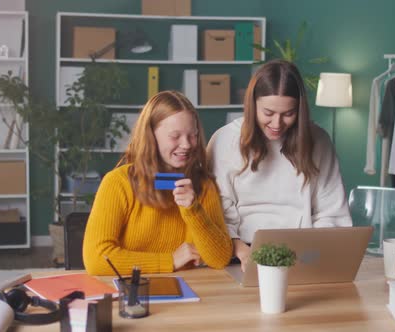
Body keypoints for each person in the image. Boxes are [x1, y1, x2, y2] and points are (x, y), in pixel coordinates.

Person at [207, 60, 352, 271]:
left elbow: (331, 211)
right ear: (252, 104)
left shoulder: (319, 140)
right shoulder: (224, 140)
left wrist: (316, 251)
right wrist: (241, 250)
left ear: (300, 110)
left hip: (303, 251)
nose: (277, 124)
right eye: (268, 113)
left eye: (288, 114)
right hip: (240, 253)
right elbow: (218, 211)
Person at [83, 90, 232, 275]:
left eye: (192, 135)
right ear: (151, 136)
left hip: (188, 290)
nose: (187, 144)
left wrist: (193, 210)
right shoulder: (117, 183)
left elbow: (220, 259)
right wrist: (170, 261)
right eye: (175, 136)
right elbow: (96, 260)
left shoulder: (203, 185)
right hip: (131, 290)